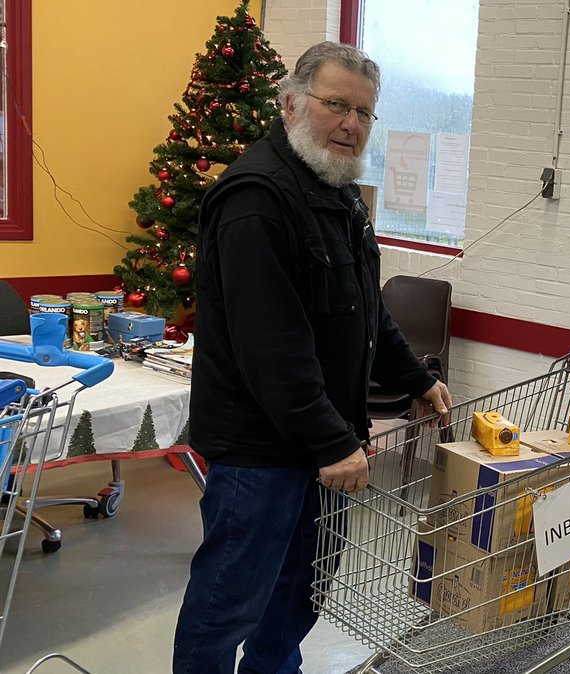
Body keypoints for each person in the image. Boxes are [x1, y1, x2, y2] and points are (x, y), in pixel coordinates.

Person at [174, 42, 452, 674]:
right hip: (261, 451)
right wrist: (331, 441)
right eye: (335, 106)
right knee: (229, 603)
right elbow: (270, 345)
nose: (350, 124)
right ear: (291, 102)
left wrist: (415, 378)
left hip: (319, 441)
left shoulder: (336, 191)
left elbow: (364, 310)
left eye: (363, 112)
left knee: (301, 591)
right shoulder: (256, 197)